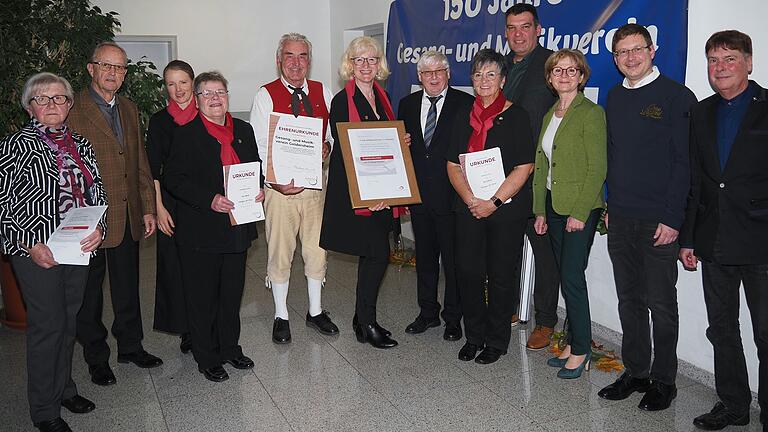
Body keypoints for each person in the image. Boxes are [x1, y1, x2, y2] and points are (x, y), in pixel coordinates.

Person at [0, 72, 107, 432]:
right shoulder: (14, 146)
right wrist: (28, 244)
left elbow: (99, 195)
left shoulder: (83, 144)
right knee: (48, 326)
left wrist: (100, 229)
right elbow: (2, 206)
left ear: (69, 104)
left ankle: (64, 389)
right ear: (30, 107)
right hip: (36, 251)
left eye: (58, 98)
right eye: (42, 99)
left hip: (76, 248)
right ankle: (44, 410)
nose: (51, 105)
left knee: (68, 323)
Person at [599, 24, 697, 411]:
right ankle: (636, 371)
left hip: (660, 221)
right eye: (621, 53)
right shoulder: (615, 97)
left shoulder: (677, 97)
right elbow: (614, 155)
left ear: (652, 50)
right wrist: (608, 203)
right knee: (630, 300)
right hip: (621, 217)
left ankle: (664, 380)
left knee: (661, 302)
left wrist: (674, 219)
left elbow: (683, 164)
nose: (629, 58)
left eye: (636, 50)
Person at [680, 30, 767, 431]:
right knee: (722, 328)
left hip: (761, 240)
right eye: (714, 60)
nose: (721, 67)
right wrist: (689, 238)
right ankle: (732, 404)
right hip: (714, 240)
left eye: (730, 58)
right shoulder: (701, 112)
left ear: (749, 62)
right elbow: (696, 180)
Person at [68, 41, 162, 387]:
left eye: (120, 68)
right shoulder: (71, 108)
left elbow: (138, 160)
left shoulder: (128, 107)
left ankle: (131, 346)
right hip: (89, 218)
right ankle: (96, 357)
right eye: (106, 66)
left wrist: (148, 207)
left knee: (127, 287)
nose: (113, 73)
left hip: (127, 214)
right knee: (89, 294)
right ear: (91, 68)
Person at [164, 71, 263, 382]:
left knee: (231, 293)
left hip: (237, 227)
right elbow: (174, 179)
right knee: (202, 295)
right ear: (197, 100)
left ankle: (230, 348)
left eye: (220, 92)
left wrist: (259, 188)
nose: (215, 98)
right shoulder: (186, 133)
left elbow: (255, 167)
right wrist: (210, 199)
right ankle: (206, 355)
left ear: (228, 96)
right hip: (201, 230)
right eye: (207, 93)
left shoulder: (244, 130)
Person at [446, 49, 534, 365]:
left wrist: (493, 202)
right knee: (468, 272)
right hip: (469, 208)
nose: (484, 81)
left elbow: (524, 167)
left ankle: (496, 341)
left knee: (500, 276)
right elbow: (452, 165)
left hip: (506, 211)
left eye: (491, 74)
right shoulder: (461, 117)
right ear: (471, 79)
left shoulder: (518, 116)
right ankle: (474, 336)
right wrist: (472, 200)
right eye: (478, 74)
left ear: (503, 79)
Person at [250, 33, 338, 344]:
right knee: (280, 251)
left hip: (315, 187)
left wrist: (327, 147)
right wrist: (275, 181)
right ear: (279, 60)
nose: (296, 62)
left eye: (302, 56)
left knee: (317, 249)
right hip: (279, 190)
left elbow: (330, 134)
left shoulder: (322, 91)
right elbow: (260, 145)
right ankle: (281, 315)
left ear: (309, 62)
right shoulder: (266, 95)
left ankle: (315, 311)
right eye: (289, 56)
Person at [320, 36, 400, 349]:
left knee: (374, 257)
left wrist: (400, 144)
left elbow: (386, 140)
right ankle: (367, 322)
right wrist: (372, 191)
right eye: (359, 60)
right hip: (361, 192)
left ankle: (362, 318)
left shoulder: (383, 96)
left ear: (378, 63)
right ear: (350, 65)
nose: (366, 65)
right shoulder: (342, 100)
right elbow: (350, 150)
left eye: (371, 59)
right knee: (376, 255)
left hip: (382, 191)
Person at [531, 49, 606, 379]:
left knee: (573, 280)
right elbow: (542, 166)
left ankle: (581, 350)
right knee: (566, 276)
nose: (564, 75)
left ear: (582, 75)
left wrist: (580, 212)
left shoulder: (591, 113)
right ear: (549, 78)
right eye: (557, 70)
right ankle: (573, 342)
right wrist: (539, 210)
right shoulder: (551, 113)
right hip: (553, 206)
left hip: (579, 210)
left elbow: (597, 168)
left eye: (571, 70)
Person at [398, 50, 473, 341]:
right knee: (426, 259)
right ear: (419, 77)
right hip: (419, 198)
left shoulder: (465, 103)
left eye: (438, 71)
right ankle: (427, 312)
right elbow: (402, 150)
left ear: (448, 73)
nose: (433, 77)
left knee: (453, 262)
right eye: (427, 73)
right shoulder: (406, 104)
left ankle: (453, 318)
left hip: (453, 197)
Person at [502, 3, 560, 350]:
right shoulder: (500, 66)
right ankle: (508, 308)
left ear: (538, 29)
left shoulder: (552, 65)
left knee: (544, 250)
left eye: (525, 26)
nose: (518, 34)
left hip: (539, 175)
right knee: (505, 245)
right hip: (504, 174)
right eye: (512, 28)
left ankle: (547, 321)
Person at [146, 60, 197, 353]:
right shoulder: (159, 121)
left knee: (203, 266)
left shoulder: (207, 113)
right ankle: (186, 328)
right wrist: (158, 208)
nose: (177, 90)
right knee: (175, 267)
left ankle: (206, 320)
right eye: (171, 84)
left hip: (204, 203)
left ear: (192, 82)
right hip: (171, 205)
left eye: (183, 82)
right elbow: (153, 169)